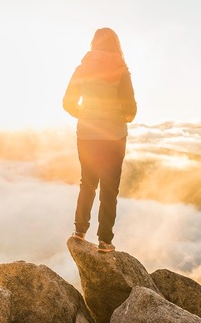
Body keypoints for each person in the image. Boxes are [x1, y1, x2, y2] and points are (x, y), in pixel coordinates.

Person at [63, 28, 137, 253]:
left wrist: (86, 116)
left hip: (86, 134)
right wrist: (119, 117)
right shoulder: (121, 71)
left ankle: (79, 231)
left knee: (88, 182)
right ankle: (105, 241)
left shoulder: (82, 69)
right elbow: (131, 110)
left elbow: (68, 102)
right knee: (109, 188)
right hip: (114, 136)